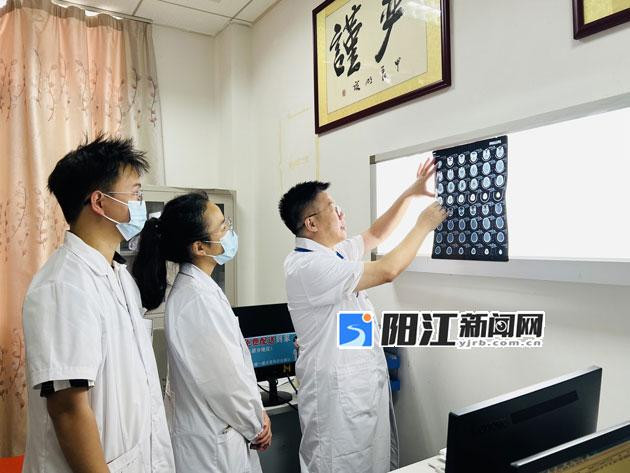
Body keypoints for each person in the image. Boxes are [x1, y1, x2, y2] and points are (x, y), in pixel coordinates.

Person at [278, 158, 447, 473]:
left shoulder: (335, 253)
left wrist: (411, 193)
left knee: (373, 461)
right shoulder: (308, 266)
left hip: (361, 387)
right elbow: (387, 270)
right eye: (333, 208)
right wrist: (423, 225)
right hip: (338, 402)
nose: (341, 213)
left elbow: (376, 234)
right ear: (311, 224)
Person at [22, 136, 174, 473]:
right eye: (135, 193)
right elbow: (68, 410)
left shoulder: (118, 276)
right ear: (99, 202)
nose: (140, 203)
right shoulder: (63, 286)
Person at [132, 192, 271, 473]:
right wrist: (256, 422)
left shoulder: (201, 290)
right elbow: (224, 381)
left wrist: (256, 414)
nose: (230, 232)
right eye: (223, 227)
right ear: (199, 247)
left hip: (221, 434)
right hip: (212, 447)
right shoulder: (196, 299)